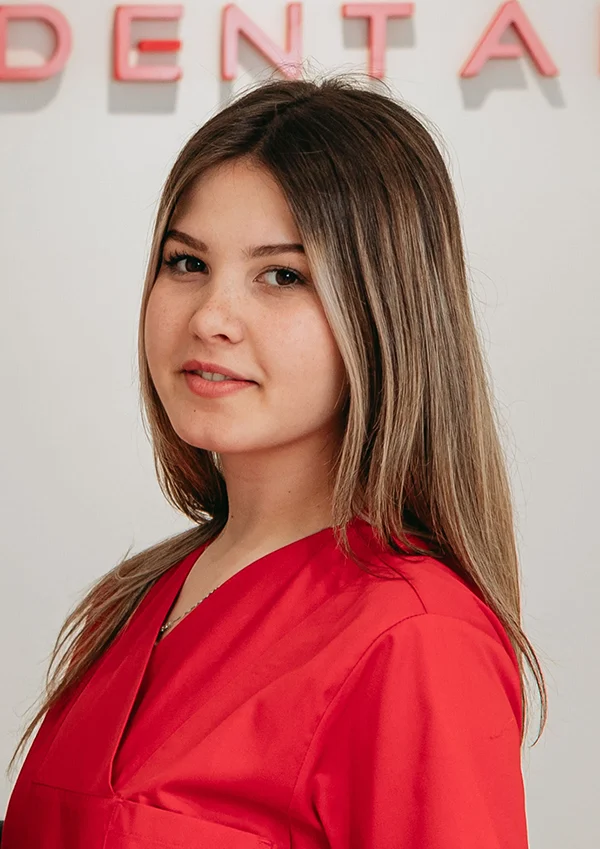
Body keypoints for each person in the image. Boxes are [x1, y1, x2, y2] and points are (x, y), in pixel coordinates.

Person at [2, 73, 546, 848]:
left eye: (282, 275)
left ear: (383, 311)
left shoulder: (417, 640)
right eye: (187, 262)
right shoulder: (127, 603)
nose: (211, 316)